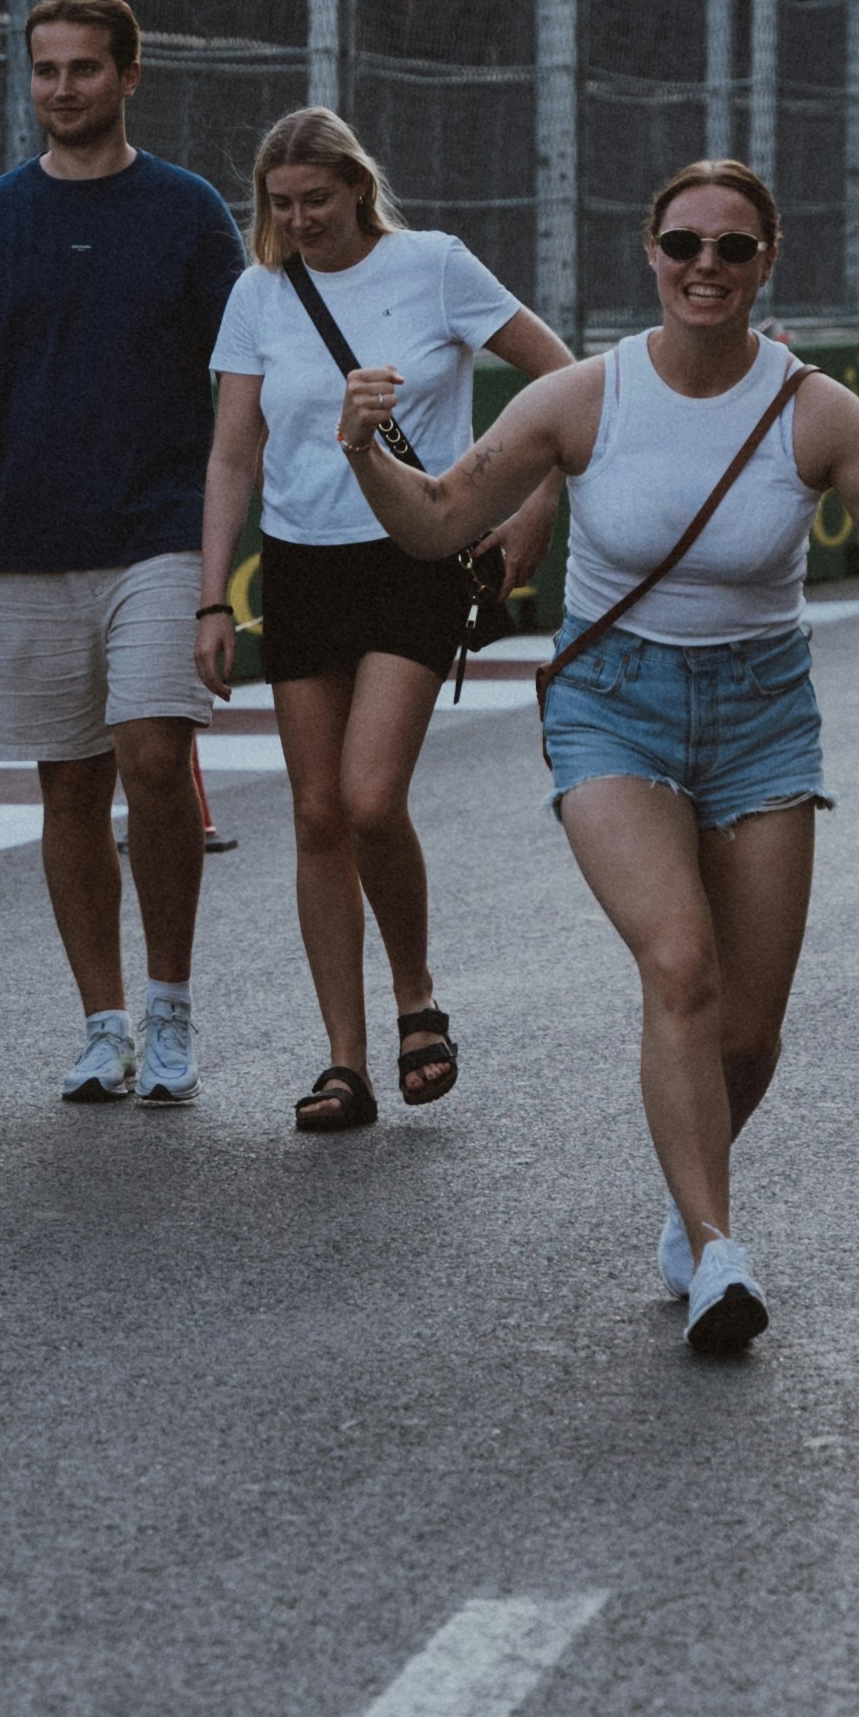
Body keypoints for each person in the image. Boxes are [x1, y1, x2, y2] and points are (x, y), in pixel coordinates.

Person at [337, 155, 859, 1358]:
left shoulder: (815, 412)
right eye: (684, 244)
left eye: (733, 248)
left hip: (762, 716)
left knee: (748, 1030)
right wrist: (366, 450)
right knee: (678, 964)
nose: (706, 268)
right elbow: (435, 523)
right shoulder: (582, 397)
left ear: (767, 259)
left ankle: (691, 1201)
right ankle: (717, 1245)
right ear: (651, 252)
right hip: (612, 708)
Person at [196, 109, 568, 1134]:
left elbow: (563, 381)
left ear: (358, 188)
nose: (300, 220)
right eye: (280, 205)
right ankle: (344, 1062)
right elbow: (232, 453)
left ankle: (417, 997)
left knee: (367, 798)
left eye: (316, 200)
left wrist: (532, 504)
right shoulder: (259, 294)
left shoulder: (435, 266)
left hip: (414, 555)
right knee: (313, 814)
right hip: (302, 565)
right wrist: (209, 594)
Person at [0, 0, 246, 1104]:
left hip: (156, 530)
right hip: (28, 537)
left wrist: (234, 534)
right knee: (67, 789)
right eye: (46, 71)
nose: (63, 90)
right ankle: (101, 1025)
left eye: (84, 70)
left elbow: (242, 370)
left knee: (152, 758)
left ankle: (171, 1007)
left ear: (128, 77)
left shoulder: (189, 210)